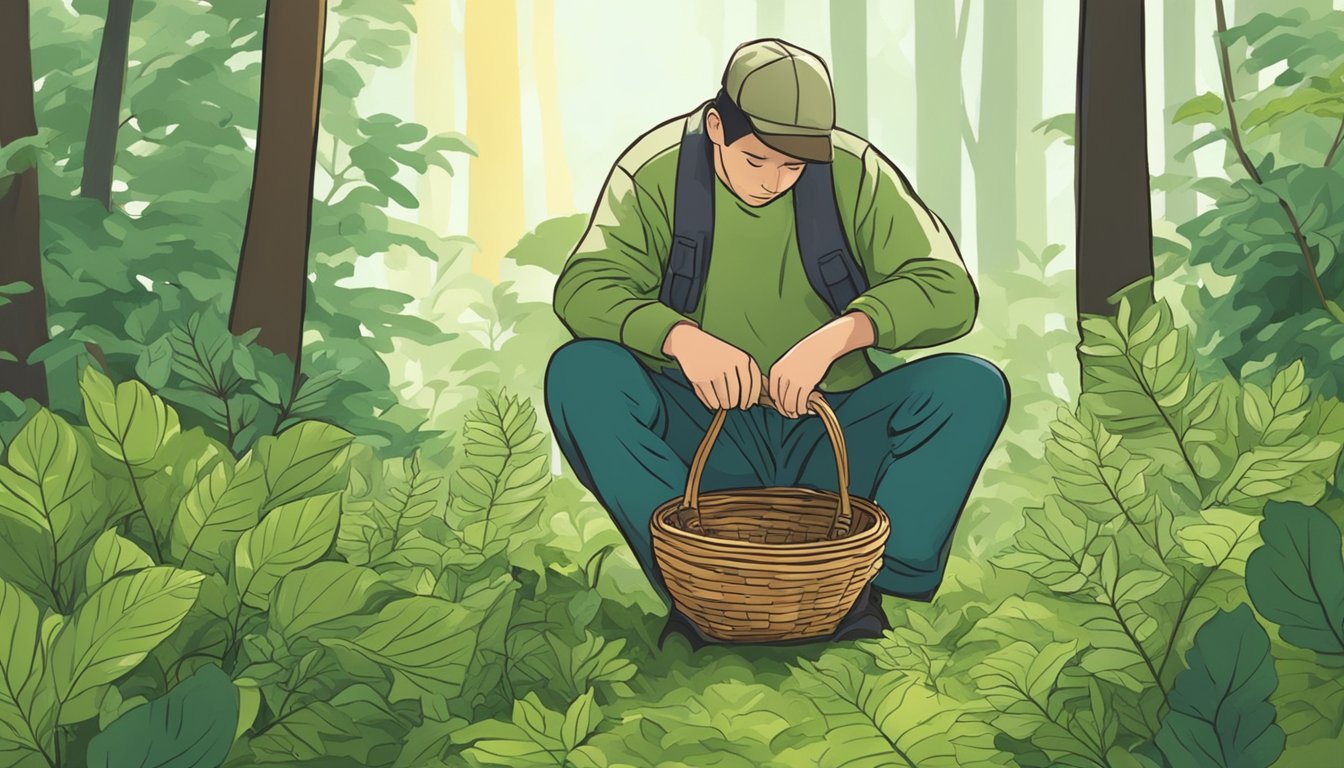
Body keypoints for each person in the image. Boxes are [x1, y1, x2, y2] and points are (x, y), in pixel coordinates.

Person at [544, 38, 1009, 648]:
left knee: (971, 387)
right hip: (704, 440)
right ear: (716, 126)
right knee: (581, 374)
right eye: (758, 160)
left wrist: (844, 335)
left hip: (833, 436)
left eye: (794, 168)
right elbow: (584, 287)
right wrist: (681, 339)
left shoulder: (853, 172)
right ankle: (696, 593)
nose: (775, 181)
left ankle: (861, 590)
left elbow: (950, 291)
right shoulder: (657, 173)